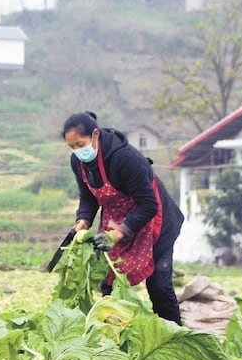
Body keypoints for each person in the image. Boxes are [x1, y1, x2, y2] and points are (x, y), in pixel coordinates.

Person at [62, 111, 185, 323]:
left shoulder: (125, 158)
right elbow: (88, 198)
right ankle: (113, 337)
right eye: (72, 147)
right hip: (115, 219)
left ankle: (176, 337)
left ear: (95, 136)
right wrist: (82, 222)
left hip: (155, 220)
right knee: (109, 283)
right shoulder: (78, 162)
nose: (77, 151)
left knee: (159, 285)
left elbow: (149, 204)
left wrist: (118, 233)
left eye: (80, 144)